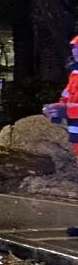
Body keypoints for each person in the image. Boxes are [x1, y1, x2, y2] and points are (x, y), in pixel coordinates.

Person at [41, 35, 78, 237]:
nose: (74, 51)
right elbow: (65, 98)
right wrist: (54, 109)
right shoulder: (74, 74)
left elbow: (69, 105)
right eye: (73, 47)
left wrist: (65, 111)